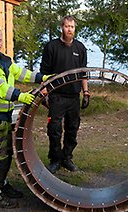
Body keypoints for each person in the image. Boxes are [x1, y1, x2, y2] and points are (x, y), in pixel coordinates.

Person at [0, 27, 49, 208]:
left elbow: (22, 73)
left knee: (5, 153)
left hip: (3, 115)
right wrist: (19, 96)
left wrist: (43, 77)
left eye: (0, 39)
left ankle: (3, 184)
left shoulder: (3, 60)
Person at [40, 15, 89, 174]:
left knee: (72, 128)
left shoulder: (80, 48)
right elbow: (44, 73)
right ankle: (55, 159)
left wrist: (86, 92)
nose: (70, 29)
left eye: (72, 27)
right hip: (57, 96)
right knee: (54, 129)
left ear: (75, 29)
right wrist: (44, 91)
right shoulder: (51, 47)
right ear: (62, 27)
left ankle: (67, 158)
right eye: (67, 26)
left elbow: (83, 73)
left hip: (74, 96)